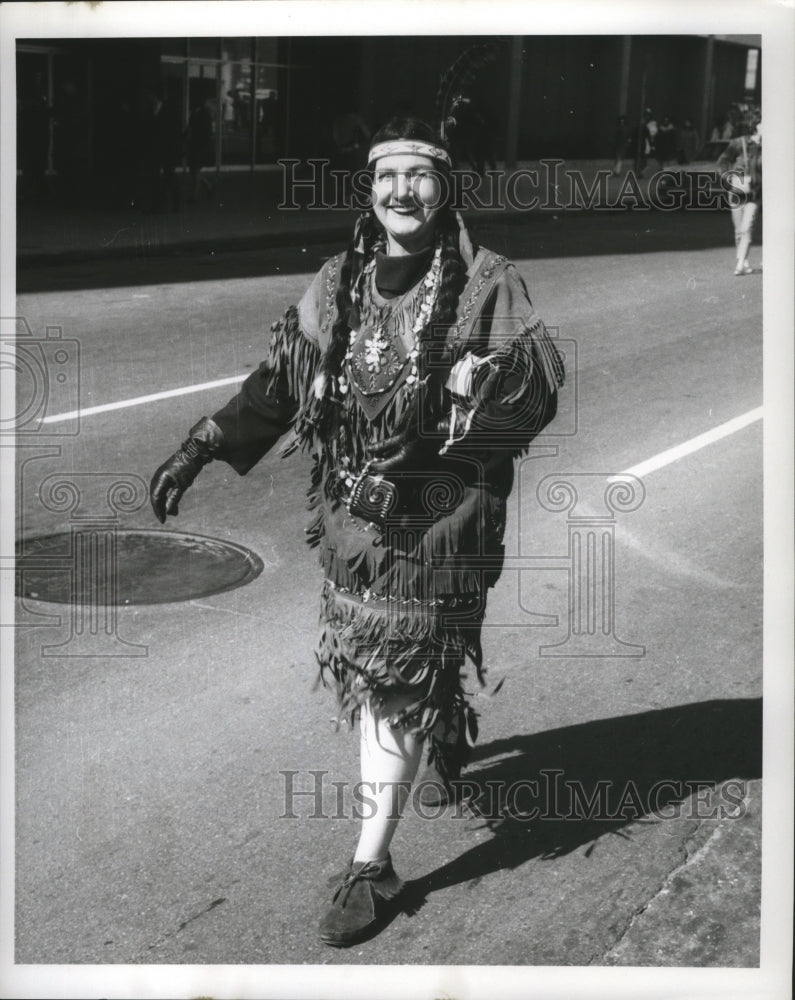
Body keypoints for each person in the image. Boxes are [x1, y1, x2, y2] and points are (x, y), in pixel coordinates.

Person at [150, 116, 564, 947]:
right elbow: (280, 381)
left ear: (444, 188)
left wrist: (443, 440)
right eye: (387, 176)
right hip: (352, 526)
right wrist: (202, 443)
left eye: (419, 175)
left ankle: (372, 866)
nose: (401, 191)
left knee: (392, 682)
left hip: (438, 520)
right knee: (398, 675)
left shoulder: (489, 282)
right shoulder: (338, 278)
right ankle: (440, 722)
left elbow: (534, 395)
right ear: (368, 190)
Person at [716, 110, 761, 276]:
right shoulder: (739, 143)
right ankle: (743, 259)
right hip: (738, 186)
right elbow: (722, 161)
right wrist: (727, 179)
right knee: (738, 227)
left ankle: (741, 261)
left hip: (757, 189)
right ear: (756, 125)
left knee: (747, 226)